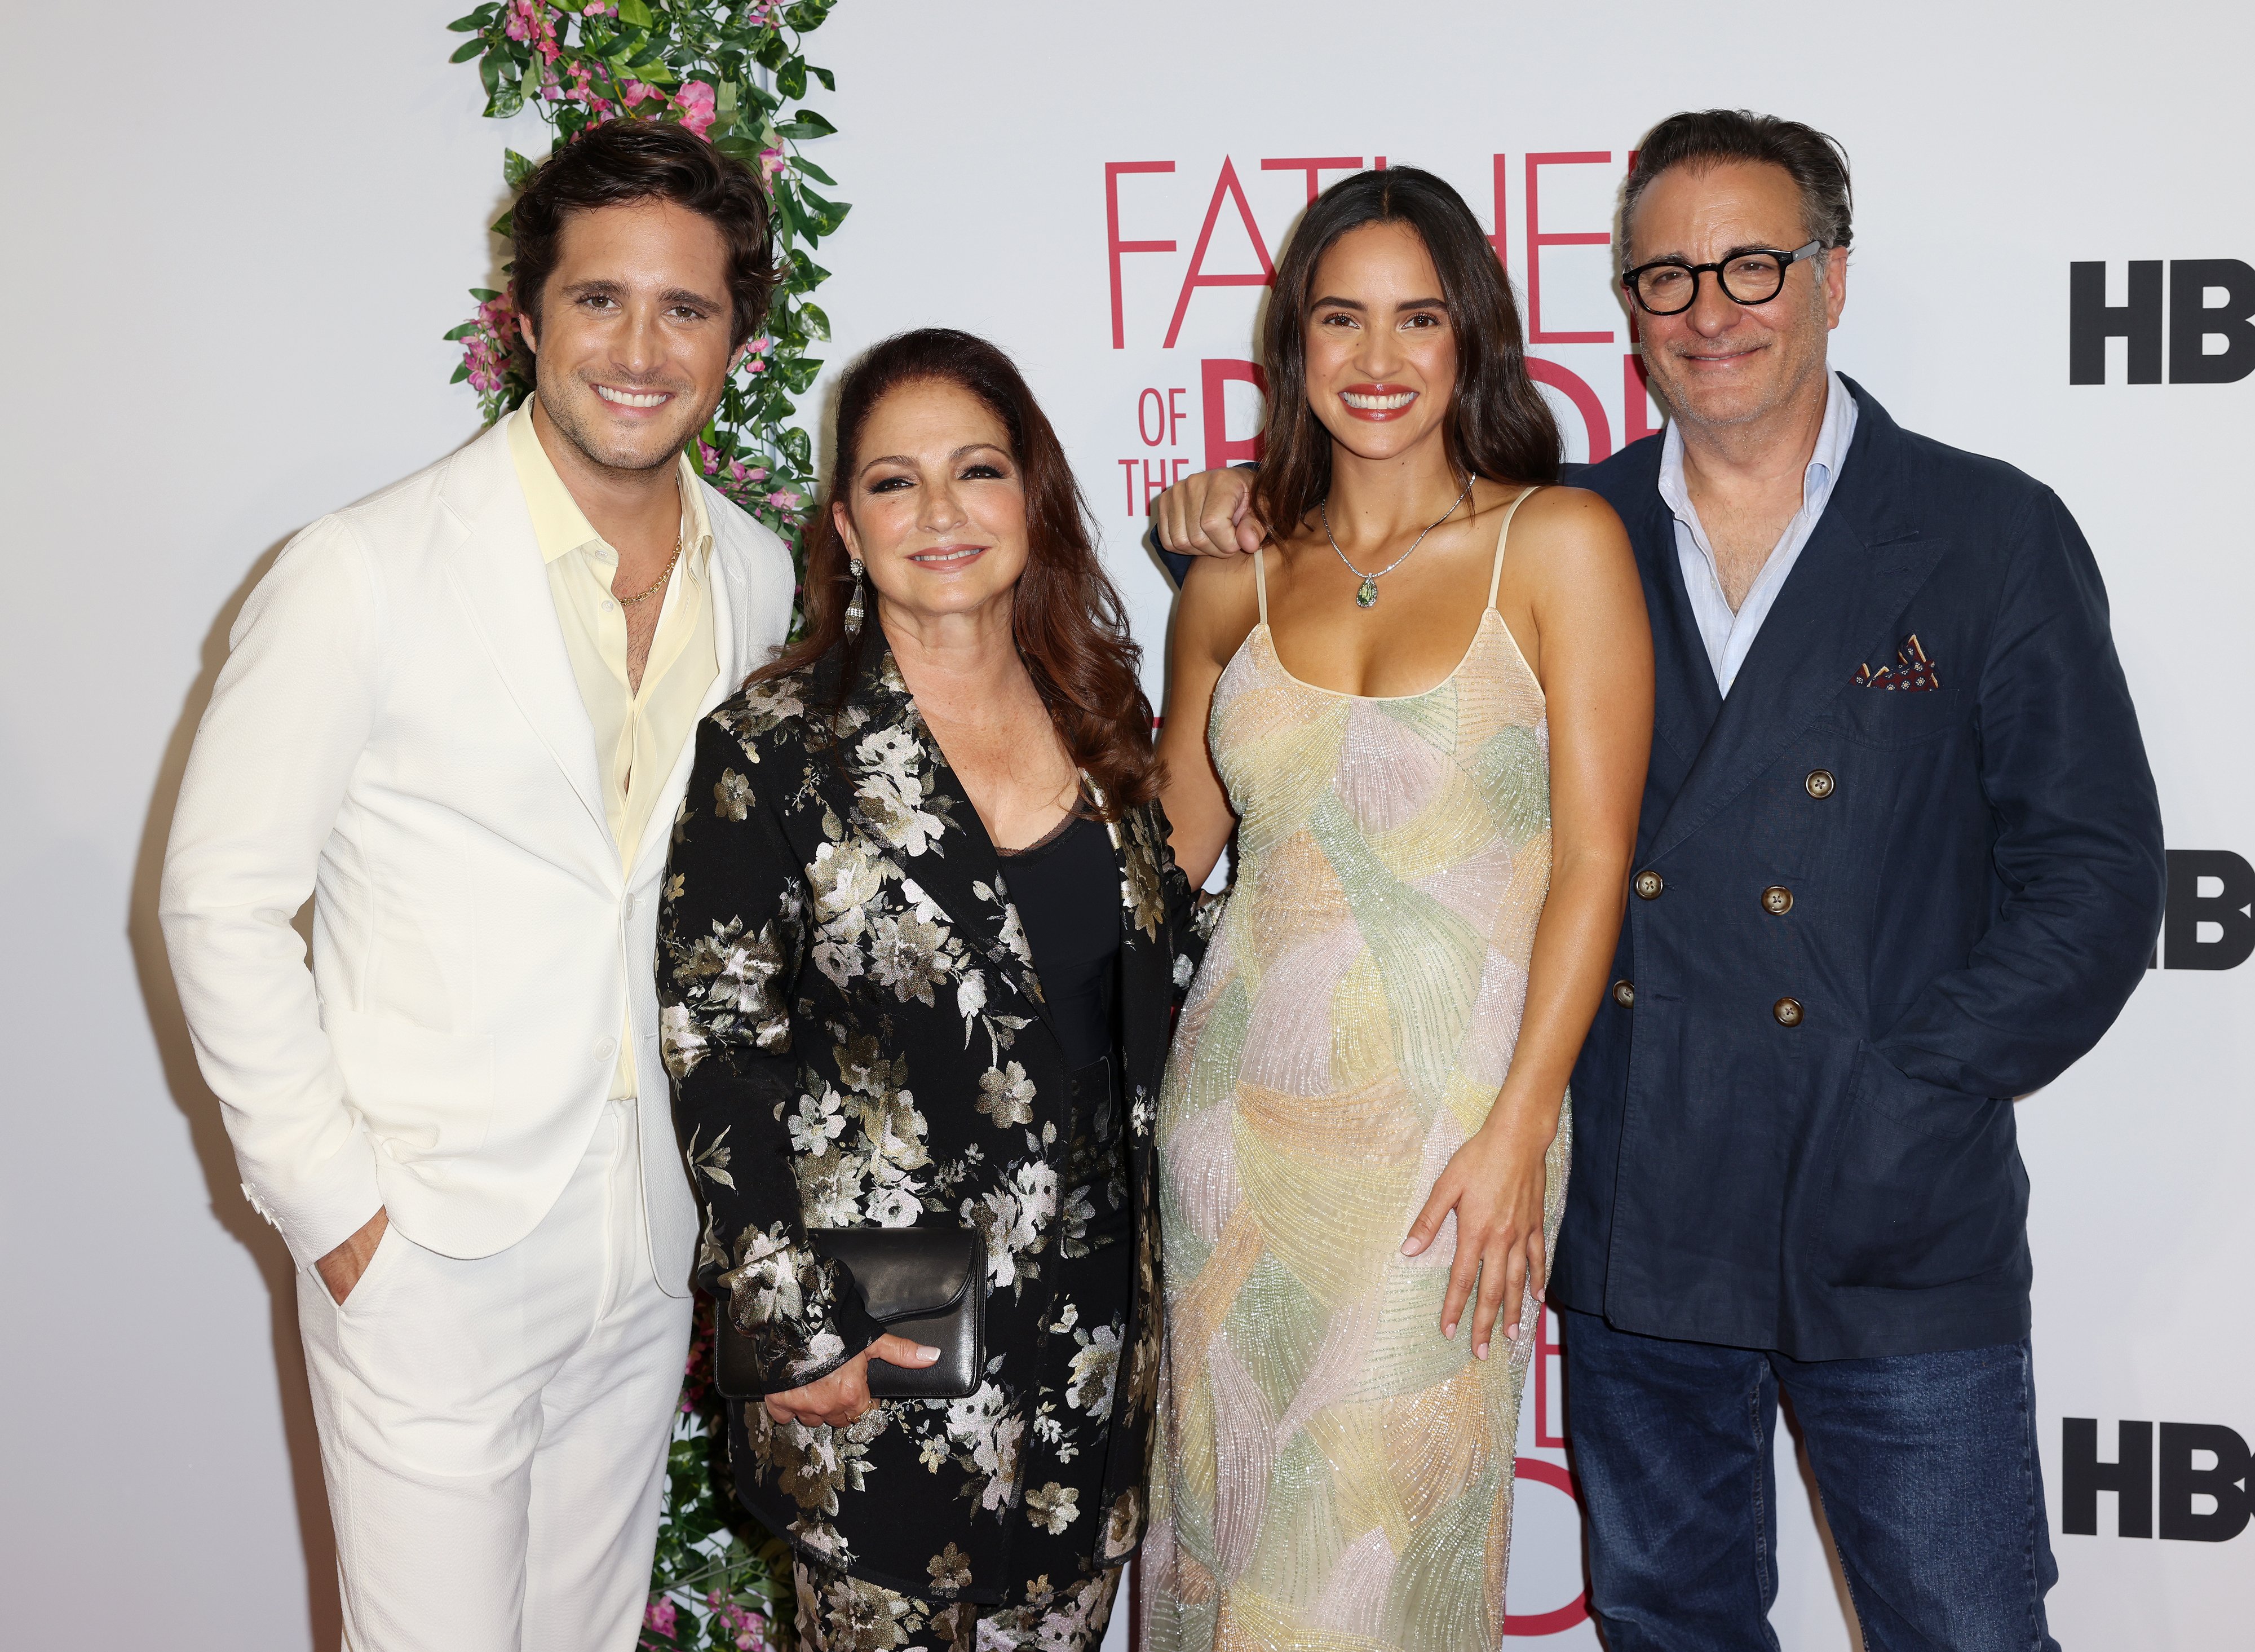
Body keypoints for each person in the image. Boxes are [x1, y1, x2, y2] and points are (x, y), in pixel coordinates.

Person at [1151, 111, 2166, 1652]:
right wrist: (1234, 500)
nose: (1712, 310)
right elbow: (1368, 572)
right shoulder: (1574, 525)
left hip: (1894, 1216)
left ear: (1833, 274)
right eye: (1667, 277)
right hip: (1642, 1216)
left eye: (1754, 264)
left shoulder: (1984, 533)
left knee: (1962, 1626)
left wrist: (1913, 1089)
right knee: (1666, 1622)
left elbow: (2093, 876)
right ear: (1622, 308)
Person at [158, 119, 795, 1649]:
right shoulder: (361, 570)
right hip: (429, 1241)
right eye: (599, 300)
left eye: (686, 309)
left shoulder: (760, 573)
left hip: (646, 1241)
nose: (639, 349)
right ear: (526, 315)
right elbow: (217, 901)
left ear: (739, 344)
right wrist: (339, 1210)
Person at [1143, 167, 1652, 1652]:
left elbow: (1595, 860)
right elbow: (1165, 857)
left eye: (1418, 319)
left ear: (1471, 340)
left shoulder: (1555, 545)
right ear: (1291, 346)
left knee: (1369, 1550)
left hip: (1450, 1143)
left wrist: (1517, 1129)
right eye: (1340, 319)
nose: (1378, 361)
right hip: (1234, 1122)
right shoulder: (1231, 587)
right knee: (1231, 1532)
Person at [655, 328, 1207, 1652]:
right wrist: (793, 1332)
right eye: (895, 484)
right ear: (845, 524)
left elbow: (1151, 984)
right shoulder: (773, 748)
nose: (943, 513)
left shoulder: (1100, 715)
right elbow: (716, 1041)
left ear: (1033, 497)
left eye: (977, 470)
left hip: (1089, 1349)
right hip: (881, 1352)